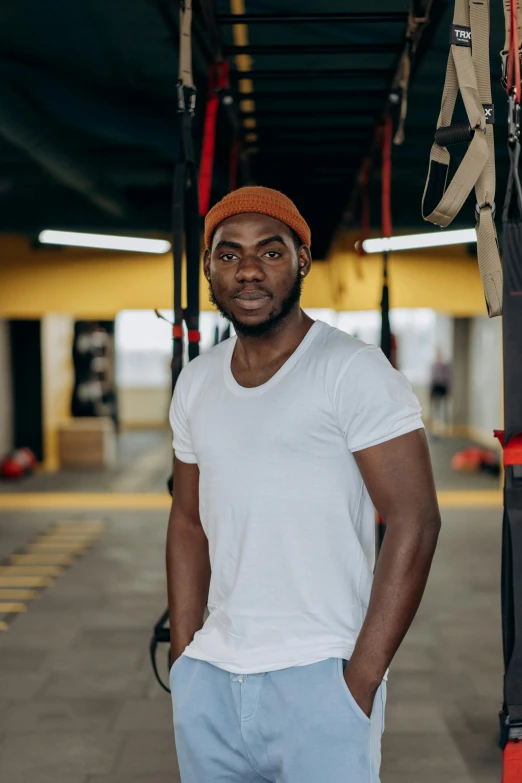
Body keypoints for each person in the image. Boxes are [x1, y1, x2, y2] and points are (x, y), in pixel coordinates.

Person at [166, 186, 441, 783]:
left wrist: (359, 681)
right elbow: (188, 520)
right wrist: (184, 653)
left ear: (302, 260)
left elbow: (415, 521)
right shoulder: (196, 382)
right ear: (210, 267)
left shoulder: (352, 370)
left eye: (270, 252)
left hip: (322, 677)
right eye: (229, 254)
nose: (248, 271)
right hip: (211, 678)